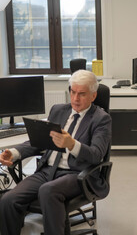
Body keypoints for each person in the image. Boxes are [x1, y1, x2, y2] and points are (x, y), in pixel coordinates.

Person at [0, 70, 112, 235]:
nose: (75, 98)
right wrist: (15, 153)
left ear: (93, 96)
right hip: (48, 171)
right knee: (8, 200)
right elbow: (37, 142)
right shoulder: (59, 110)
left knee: (47, 191)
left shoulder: (101, 119)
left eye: (81, 94)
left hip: (77, 174)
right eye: (72, 92)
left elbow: (96, 155)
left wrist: (72, 145)